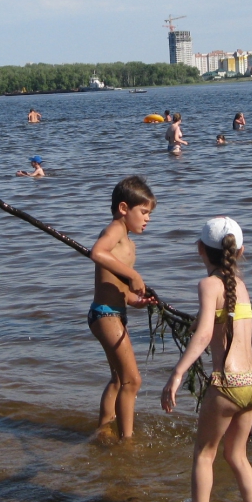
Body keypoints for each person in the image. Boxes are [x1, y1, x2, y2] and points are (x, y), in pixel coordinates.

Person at [160, 216, 252, 502]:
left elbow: (205, 334)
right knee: (237, 456)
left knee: (204, 454)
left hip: (228, 384)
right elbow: (221, 323)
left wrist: (177, 373)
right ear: (240, 251)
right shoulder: (239, 287)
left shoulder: (208, 284)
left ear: (200, 250)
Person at [89, 176, 157, 443]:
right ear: (123, 208)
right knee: (133, 380)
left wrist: (134, 298)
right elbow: (97, 252)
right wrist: (134, 274)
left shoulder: (129, 243)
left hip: (113, 312)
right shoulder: (115, 230)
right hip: (105, 314)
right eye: (143, 212)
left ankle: (103, 430)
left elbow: (116, 286)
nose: (147, 219)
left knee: (118, 379)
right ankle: (126, 441)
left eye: (149, 213)